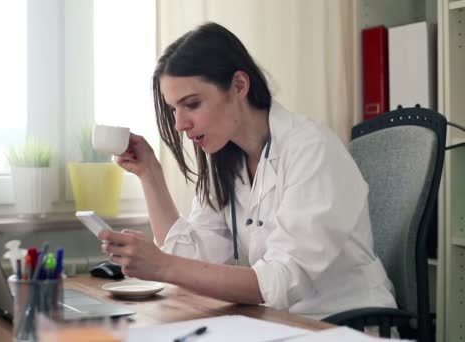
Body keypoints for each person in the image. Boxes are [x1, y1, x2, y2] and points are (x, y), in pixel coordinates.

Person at [98, 22, 396, 318]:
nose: (179, 124)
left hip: (339, 323)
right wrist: (149, 173)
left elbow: (279, 280)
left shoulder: (312, 149)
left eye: (192, 104)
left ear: (239, 85)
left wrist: (161, 264)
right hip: (276, 322)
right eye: (174, 109)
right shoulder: (226, 159)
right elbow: (190, 262)